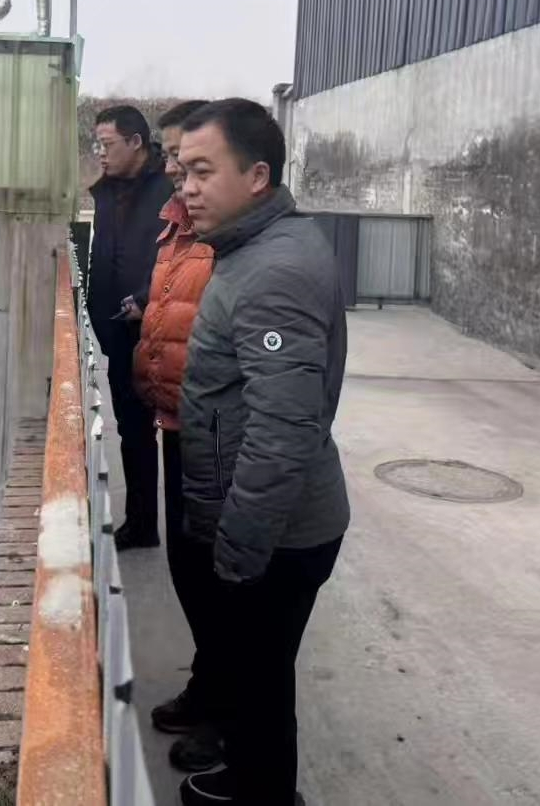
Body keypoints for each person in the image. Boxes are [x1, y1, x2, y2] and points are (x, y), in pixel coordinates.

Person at [174, 99, 350, 806]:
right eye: (182, 171)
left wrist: (239, 550)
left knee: (262, 674)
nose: (187, 187)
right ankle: (251, 778)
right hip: (272, 521)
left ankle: (265, 794)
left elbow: (282, 430)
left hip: (279, 530)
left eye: (202, 170)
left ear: (257, 176)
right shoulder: (257, 249)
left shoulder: (273, 270)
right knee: (255, 671)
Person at [131, 99, 225, 774]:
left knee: (217, 581)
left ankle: (225, 713)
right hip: (175, 421)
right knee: (188, 571)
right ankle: (208, 684)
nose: (175, 171)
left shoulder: (226, 238)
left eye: (189, 161)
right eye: (172, 157)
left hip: (212, 434)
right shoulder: (175, 228)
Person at [87, 105, 173, 551]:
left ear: (136, 142)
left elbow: (178, 255)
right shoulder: (109, 190)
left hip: (160, 326)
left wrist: (146, 298)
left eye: (107, 144)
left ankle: (185, 531)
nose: (101, 154)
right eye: (97, 145)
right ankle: (141, 523)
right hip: (119, 330)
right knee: (133, 430)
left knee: (174, 432)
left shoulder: (169, 189)